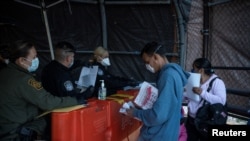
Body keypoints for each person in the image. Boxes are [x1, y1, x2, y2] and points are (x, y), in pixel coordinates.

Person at [0, 40, 87, 141]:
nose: (36, 59)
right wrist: (75, 101)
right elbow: (47, 101)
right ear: (21, 61)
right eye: (33, 57)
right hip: (15, 134)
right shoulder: (23, 80)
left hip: (5, 128)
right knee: (49, 119)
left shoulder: (4, 73)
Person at [125, 41, 190, 141]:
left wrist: (136, 113)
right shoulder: (174, 73)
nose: (147, 66)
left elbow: (158, 115)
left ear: (155, 57)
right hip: (168, 132)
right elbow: (167, 106)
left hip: (159, 135)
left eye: (147, 62)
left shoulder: (167, 76)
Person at [184, 58, 226, 141]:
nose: (192, 71)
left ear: (201, 70)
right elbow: (190, 97)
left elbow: (221, 100)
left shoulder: (216, 82)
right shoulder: (195, 80)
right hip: (191, 118)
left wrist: (202, 93)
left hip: (206, 121)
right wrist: (185, 93)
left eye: (194, 69)